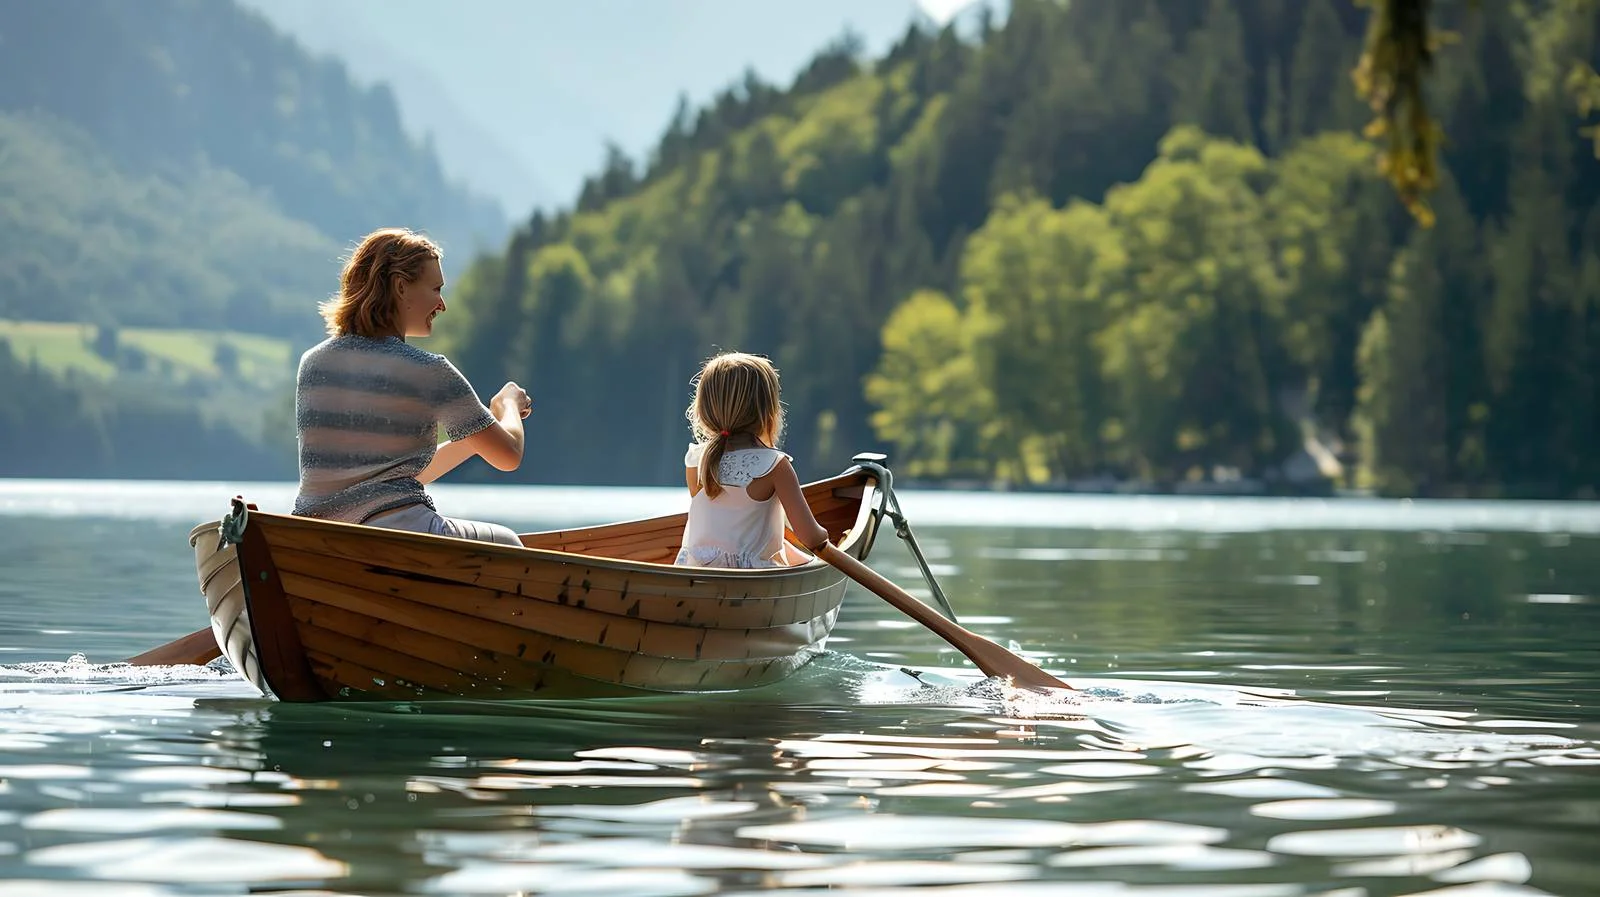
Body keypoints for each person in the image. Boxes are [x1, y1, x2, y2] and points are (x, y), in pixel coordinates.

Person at [291, 227, 530, 546]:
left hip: (314, 539)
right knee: (510, 543)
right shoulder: (430, 370)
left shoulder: (313, 364)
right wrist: (507, 405)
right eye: (435, 289)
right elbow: (509, 455)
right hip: (403, 531)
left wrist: (478, 428)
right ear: (401, 287)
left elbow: (392, 478)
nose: (442, 304)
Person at [674, 351, 831, 568]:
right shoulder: (774, 465)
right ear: (768, 412)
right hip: (750, 575)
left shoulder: (697, 460)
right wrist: (829, 536)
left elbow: (725, 525)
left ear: (703, 410)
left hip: (695, 570)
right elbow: (811, 537)